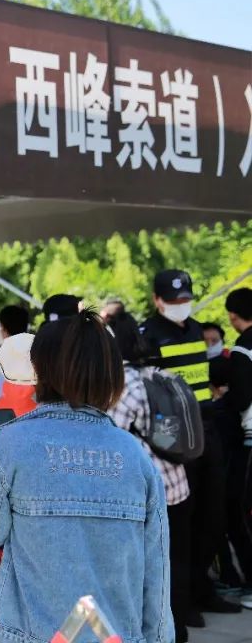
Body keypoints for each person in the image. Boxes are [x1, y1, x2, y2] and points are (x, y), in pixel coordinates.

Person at [0, 310, 172, 643]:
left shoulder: (8, 444)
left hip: (30, 634)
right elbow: (156, 571)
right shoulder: (135, 455)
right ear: (110, 375)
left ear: (39, 370)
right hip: (115, 635)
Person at [140, 269, 241, 617]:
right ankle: (179, 605)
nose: (180, 305)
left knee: (214, 517)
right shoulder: (148, 336)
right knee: (181, 525)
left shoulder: (197, 329)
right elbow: (147, 392)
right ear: (157, 300)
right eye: (172, 300)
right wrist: (164, 443)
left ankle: (202, 589)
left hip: (206, 430)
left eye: (184, 299)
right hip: (172, 439)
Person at [108, 312, 193, 641]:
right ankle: (180, 628)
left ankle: (163, 633)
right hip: (179, 483)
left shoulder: (123, 385)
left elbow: (111, 434)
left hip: (150, 491)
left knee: (152, 571)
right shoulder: (159, 374)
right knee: (178, 562)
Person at [215, 288, 252, 609]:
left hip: (249, 441)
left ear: (233, 315)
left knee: (240, 511)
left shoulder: (242, 349)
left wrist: (221, 399)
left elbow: (241, 399)